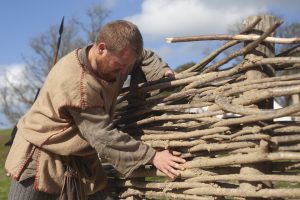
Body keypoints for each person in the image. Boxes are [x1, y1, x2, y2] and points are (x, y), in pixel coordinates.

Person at [5, 20, 186, 200]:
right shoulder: (78, 85)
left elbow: (144, 56)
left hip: (80, 158)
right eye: (119, 66)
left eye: (127, 66)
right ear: (101, 48)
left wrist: (160, 72)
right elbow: (103, 136)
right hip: (42, 157)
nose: (123, 72)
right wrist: (153, 156)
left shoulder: (120, 56)